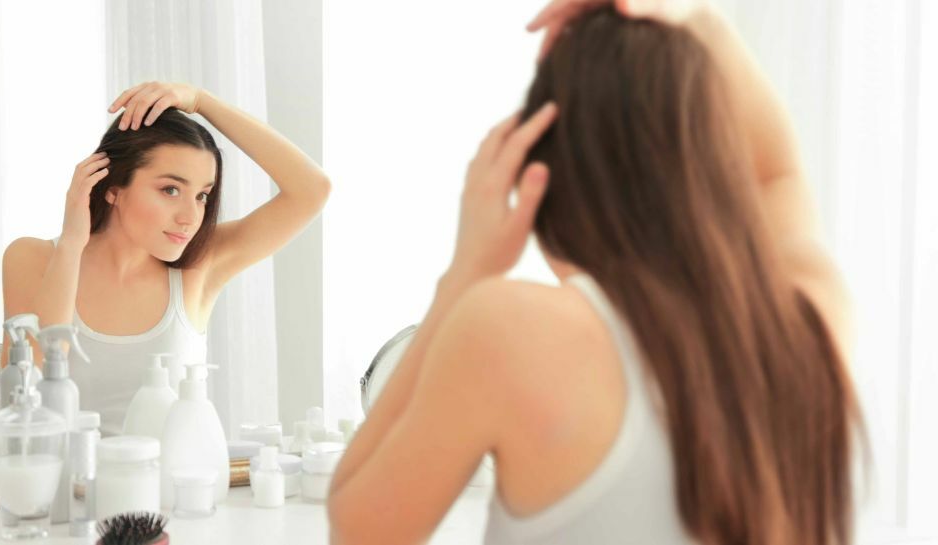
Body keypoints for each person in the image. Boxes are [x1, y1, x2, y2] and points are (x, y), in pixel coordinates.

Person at [327, 1, 866, 544]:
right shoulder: (808, 316)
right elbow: (779, 172)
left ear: (540, 177)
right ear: (716, 165)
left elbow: (358, 529)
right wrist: (693, 16)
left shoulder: (510, 331)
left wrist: (466, 271)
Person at [0, 82, 330, 435]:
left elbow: (312, 190)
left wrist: (202, 101)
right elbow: (26, 396)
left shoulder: (200, 267)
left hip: (173, 487)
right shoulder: (32, 258)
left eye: (202, 195)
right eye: (170, 190)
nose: (190, 216)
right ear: (112, 188)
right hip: (62, 487)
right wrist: (71, 245)